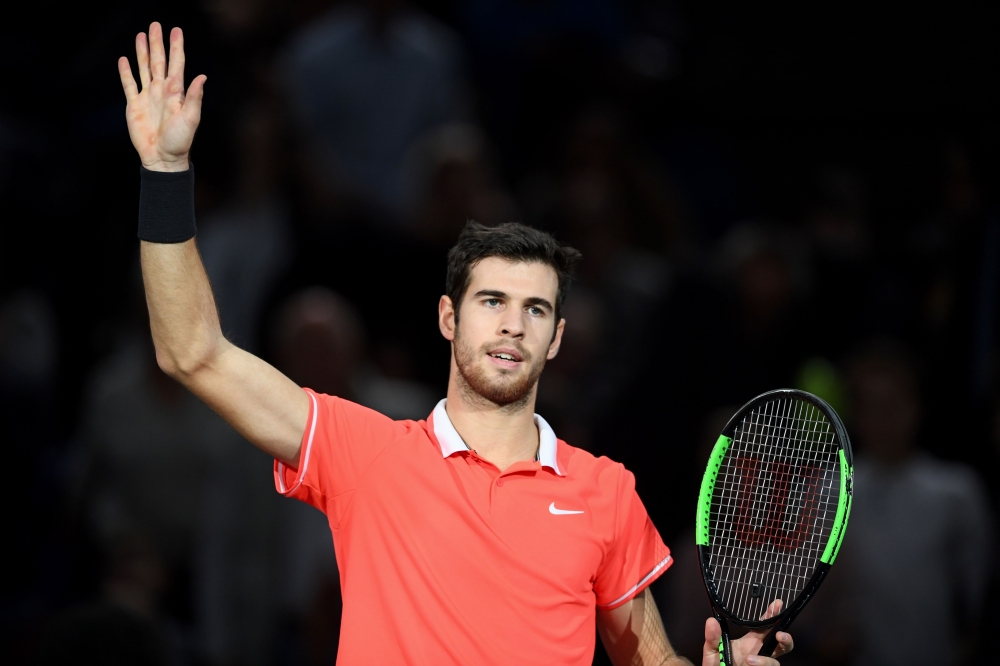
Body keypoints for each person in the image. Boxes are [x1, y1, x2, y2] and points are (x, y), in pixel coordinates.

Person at [116, 22, 794, 665]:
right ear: (448, 318)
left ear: (556, 338)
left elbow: (648, 657)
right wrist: (167, 170)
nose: (511, 324)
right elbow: (192, 351)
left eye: (535, 309)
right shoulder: (367, 455)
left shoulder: (604, 492)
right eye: (492, 301)